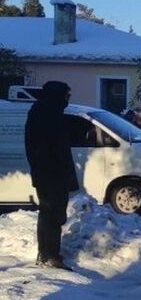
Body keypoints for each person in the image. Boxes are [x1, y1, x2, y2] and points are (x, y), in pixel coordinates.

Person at [25, 81, 78, 270]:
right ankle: (50, 256)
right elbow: (43, 150)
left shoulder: (48, 112)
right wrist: (53, 173)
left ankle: (47, 253)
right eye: (66, 95)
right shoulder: (45, 115)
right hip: (50, 176)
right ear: (56, 95)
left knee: (50, 214)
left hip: (52, 175)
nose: (68, 100)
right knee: (52, 215)